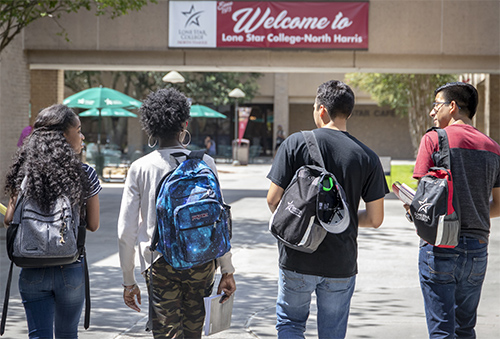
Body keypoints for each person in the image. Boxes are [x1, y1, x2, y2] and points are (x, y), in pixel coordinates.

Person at [266, 80, 388, 339]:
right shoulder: (368, 157)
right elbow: (376, 219)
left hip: (296, 257)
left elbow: (273, 200)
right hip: (341, 262)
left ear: (321, 110)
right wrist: (333, 219)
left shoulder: (295, 143)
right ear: (349, 112)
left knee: (290, 323)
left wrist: (308, 219)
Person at [117, 88, 236, 338]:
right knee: (194, 333)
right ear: (185, 123)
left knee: (167, 334)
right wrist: (227, 269)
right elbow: (220, 222)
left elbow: (126, 232)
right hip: (202, 260)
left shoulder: (140, 168)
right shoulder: (206, 163)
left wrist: (129, 280)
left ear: (150, 128)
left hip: (160, 262)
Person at [409, 82, 500, 338]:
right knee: (465, 329)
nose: (431, 113)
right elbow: (498, 205)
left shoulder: (434, 139)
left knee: (442, 330)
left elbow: (424, 198)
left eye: (436, 105)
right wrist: (475, 209)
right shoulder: (494, 148)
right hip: (477, 248)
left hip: (440, 245)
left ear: (452, 107)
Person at [3, 104, 101, 338]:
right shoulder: (84, 173)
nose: (82, 136)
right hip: (70, 268)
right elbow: (94, 225)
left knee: (38, 335)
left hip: (32, 267)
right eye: (78, 130)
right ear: (63, 136)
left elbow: (9, 219)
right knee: (68, 334)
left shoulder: (25, 174)